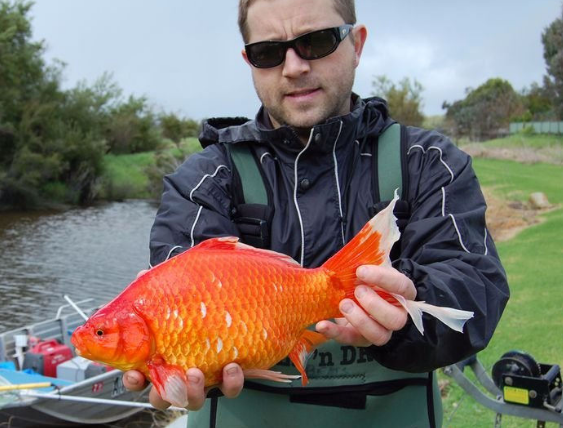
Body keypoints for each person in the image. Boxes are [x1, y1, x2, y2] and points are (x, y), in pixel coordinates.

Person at [123, 0, 509, 426]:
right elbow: (176, 297)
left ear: (357, 45)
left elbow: (477, 291)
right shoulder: (203, 180)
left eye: (317, 42)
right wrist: (174, 370)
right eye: (268, 52)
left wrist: (407, 305)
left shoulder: (427, 161)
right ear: (249, 61)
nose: (293, 67)